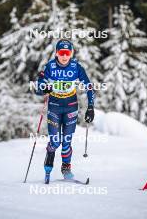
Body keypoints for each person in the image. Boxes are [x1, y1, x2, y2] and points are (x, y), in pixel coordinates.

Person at [37, 39, 95, 183]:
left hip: (71, 106)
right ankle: (49, 158)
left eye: (67, 53)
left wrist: (91, 107)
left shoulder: (76, 67)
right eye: (61, 53)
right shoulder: (50, 66)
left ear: (71, 54)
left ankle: (66, 168)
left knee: (67, 141)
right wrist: (44, 88)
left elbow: (89, 86)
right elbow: (39, 87)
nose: (64, 56)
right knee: (55, 141)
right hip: (55, 107)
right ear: (57, 53)